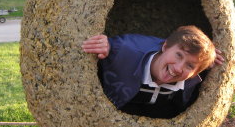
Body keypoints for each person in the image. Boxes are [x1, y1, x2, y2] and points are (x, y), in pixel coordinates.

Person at [82, 25, 224, 119]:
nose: (178, 68)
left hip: (157, 112)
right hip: (119, 106)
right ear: (165, 46)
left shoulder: (192, 79)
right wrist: (107, 47)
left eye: (190, 65)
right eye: (178, 55)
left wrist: (208, 60)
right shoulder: (122, 50)